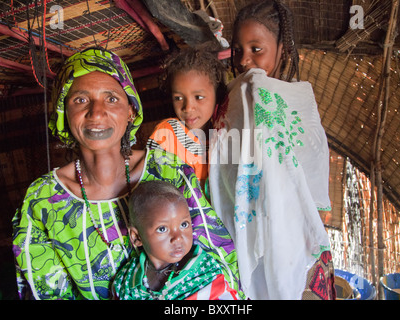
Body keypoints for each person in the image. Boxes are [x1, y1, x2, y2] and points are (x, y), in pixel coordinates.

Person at [12, 47, 241, 300]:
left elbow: (219, 256)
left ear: (131, 110)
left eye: (111, 99)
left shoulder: (167, 169)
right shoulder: (42, 201)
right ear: (64, 113)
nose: (96, 112)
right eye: (80, 100)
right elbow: (45, 293)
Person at [209, 0, 335, 300]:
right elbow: (223, 160)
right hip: (239, 222)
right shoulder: (230, 98)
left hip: (287, 226)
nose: (244, 61)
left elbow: (313, 157)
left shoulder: (296, 101)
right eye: (238, 51)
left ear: (282, 49)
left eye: (256, 49)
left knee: (284, 283)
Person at [112, 180, 238, 300]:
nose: (178, 237)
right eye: (162, 229)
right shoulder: (127, 279)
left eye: (184, 225)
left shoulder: (204, 270)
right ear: (137, 237)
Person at [146, 46, 227, 194]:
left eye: (199, 97)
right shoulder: (168, 133)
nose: (188, 107)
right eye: (178, 98)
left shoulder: (222, 132)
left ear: (217, 94)